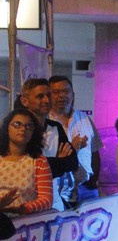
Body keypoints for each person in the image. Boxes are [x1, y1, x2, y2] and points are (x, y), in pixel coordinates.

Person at [19, 78, 78, 212]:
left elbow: (72, 162)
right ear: (25, 101)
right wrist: (58, 161)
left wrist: (45, 165)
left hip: (53, 202)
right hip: (24, 204)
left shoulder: (55, 127)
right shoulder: (18, 130)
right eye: (40, 96)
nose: (46, 100)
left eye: (48, 95)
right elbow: (25, 167)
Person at [49, 76, 104, 206]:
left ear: (73, 95)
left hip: (86, 189)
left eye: (66, 91)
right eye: (56, 92)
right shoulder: (45, 122)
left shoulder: (85, 119)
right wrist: (73, 147)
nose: (62, 96)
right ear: (49, 96)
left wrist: (95, 180)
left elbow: (95, 152)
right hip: (58, 191)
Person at [0, 108, 53, 215]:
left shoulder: (39, 161)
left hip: (26, 220)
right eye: (17, 124)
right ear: (7, 128)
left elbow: (46, 200)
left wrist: (24, 208)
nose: (23, 129)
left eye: (28, 126)